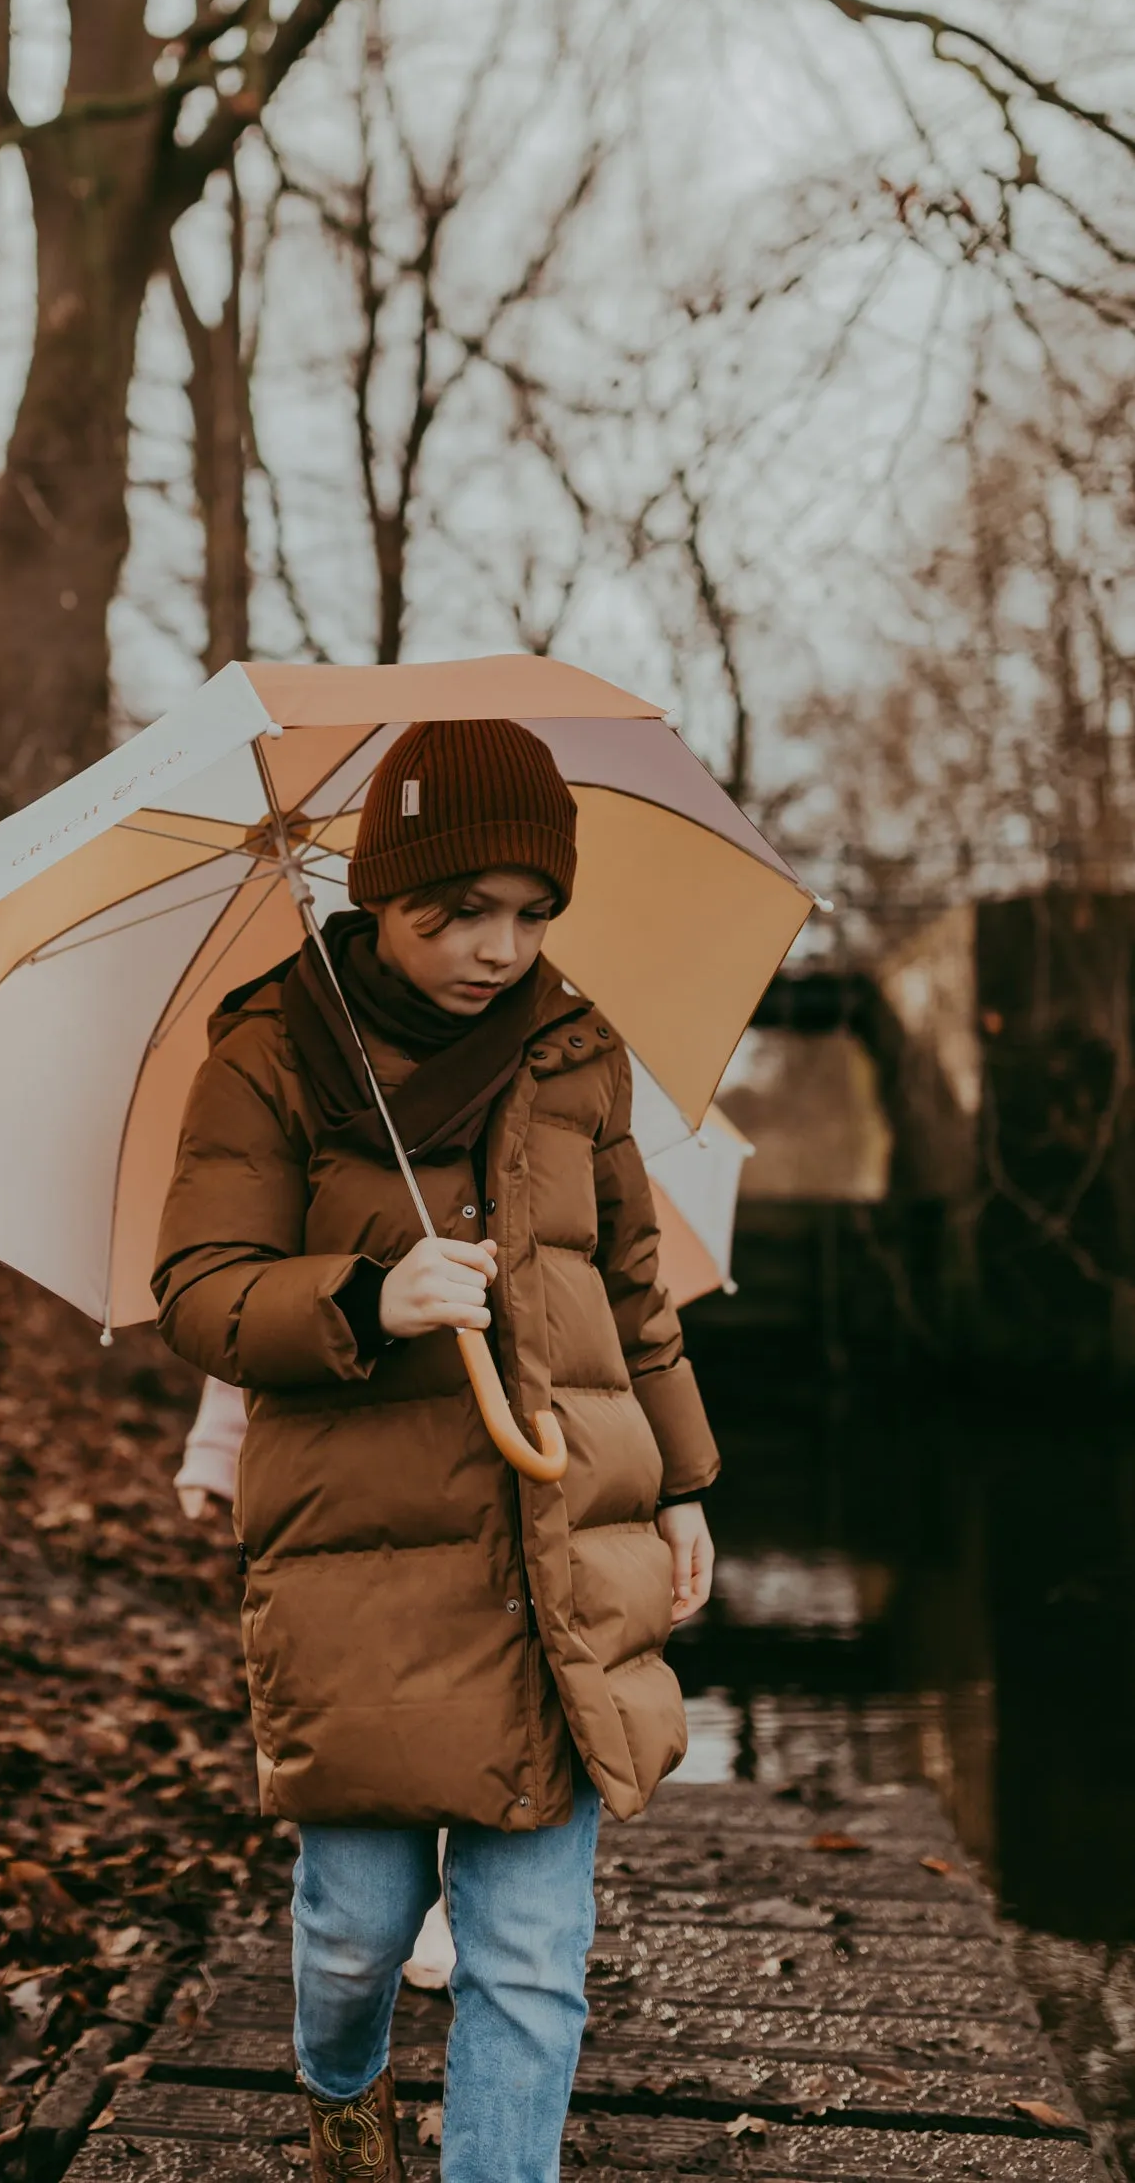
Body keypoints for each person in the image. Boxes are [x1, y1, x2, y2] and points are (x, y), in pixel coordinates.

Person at [153, 718, 717, 2183]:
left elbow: (634, 1293)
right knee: (354, 1930)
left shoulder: (573, 1052)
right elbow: (200, 1287)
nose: (495, 947)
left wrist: (688, 1487)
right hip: (364, 1570)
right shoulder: (270, 1054)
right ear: (376, 897)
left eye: (530, 914)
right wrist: (361, 1291)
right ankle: (342, 2090)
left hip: (557, 1555)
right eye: (453, 911)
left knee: (528, 1961)